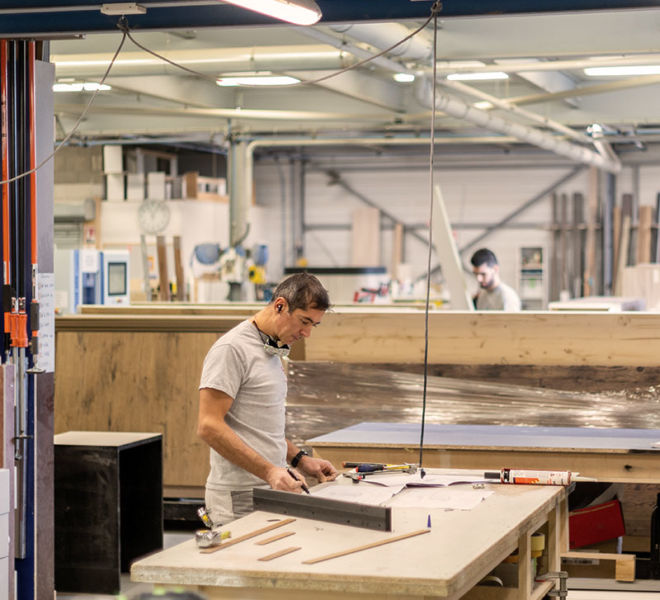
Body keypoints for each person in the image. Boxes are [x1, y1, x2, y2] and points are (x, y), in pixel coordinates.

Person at [197, 272, 338, 524]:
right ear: (280, 305)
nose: (307, 333)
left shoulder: (271, 350)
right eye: (304, 321)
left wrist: (300, 459)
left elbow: (259, 427)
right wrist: (270, 471)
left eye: (313, 325)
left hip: (271, 488)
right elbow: (208, 426)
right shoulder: (232, 349)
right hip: (240, 495)